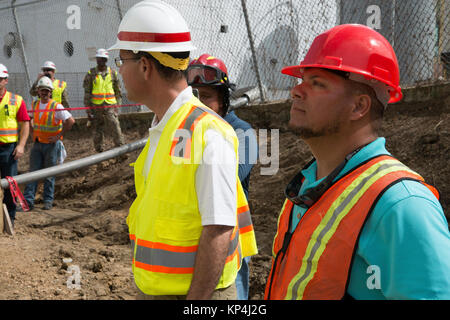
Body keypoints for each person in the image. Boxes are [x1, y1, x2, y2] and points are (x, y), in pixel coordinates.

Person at [265, 24, 450, 300]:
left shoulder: (401, 204)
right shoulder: (308, 185)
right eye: (301, 80)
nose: (296, 91)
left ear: (359, 107)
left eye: (317, 83)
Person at [108, 0, 257, 300]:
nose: (119, 71)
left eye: (121, 60)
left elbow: (219, 228)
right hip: (157, 288)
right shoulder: (166, 126)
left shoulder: (207, 132)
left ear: (145, 66)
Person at [187, 53, 258, 300]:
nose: (199, 104)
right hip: (194, 234)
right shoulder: (184, 132)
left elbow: (232, 176)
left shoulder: (242, 132)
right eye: (193, 96)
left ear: (224, 100)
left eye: (206, 97)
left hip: (229, 239)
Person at [23, 76, 75, 211]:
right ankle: (28, 202)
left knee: (49, 174)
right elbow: (29, 119)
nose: (44, 92)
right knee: (32, 173)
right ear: (38, 91)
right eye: (42, 90)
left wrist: (58, 136)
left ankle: (48, 201)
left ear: (50, 92)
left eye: (46, 90)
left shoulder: (56, 106)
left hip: (51, 146)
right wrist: (32, 133)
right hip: (38, 143)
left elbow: (70, 121)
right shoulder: (35, 104)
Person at [0, 63, 30, 224]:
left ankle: (9, 220)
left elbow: (26, 123)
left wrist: (21, 145)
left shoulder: (16, 100)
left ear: (6, 80)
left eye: (0, 79)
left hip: (9, 150)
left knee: (10, 186)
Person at [83, 48, 125, 153]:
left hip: (110, 106)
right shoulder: (91, 74)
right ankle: (99, 151)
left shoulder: (113, 73)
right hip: (96, 107)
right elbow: (87, 93)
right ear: (96, 60)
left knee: (115, 126)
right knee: (97, 129)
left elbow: (118, 91)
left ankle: (121, 150)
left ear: (106, 60)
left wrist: (117, 106)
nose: (101, 61)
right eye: (99, 59)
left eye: (103, 59)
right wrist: (88, 110)